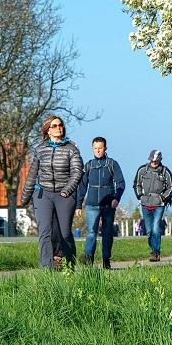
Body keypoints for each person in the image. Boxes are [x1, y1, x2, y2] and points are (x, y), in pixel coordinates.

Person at [20, 115, 83, 268]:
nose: (58, 128)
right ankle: (46, 269)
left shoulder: (71, 149)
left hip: (64, 194)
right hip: (43, 194)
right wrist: (24, 198)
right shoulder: (40, 149)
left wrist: (67, 190)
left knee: (65, 233)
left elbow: (77, 172)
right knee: (45, 232)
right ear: (48, 130)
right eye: (54, 126)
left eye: (60, 125)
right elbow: (32, 174)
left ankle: (70, 267)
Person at [76, 137, 125, 269]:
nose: (98, 151)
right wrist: (78, 205)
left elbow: (120, 183)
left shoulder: (112, 164)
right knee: (91, 232)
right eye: (95, 148)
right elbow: (82, 186)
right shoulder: (89, 165)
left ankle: (106, 259)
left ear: (105, 148)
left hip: (108, 205)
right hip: (92, 205)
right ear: (92, 149)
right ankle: (88, 258)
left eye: (100, 148)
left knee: (107, 232)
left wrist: (116, 198)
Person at [133, 150, 172, 262]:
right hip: (145, 203)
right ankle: (153, 248)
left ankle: (155, 252)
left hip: (159, 204)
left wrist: (163, 198)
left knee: (156, 227)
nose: (154, 162)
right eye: (152, 160)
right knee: (149, 230)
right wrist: (140, 196)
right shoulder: (142, 170)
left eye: (156, 161)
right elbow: (136, 184)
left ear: (160, 160)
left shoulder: (165, 172)